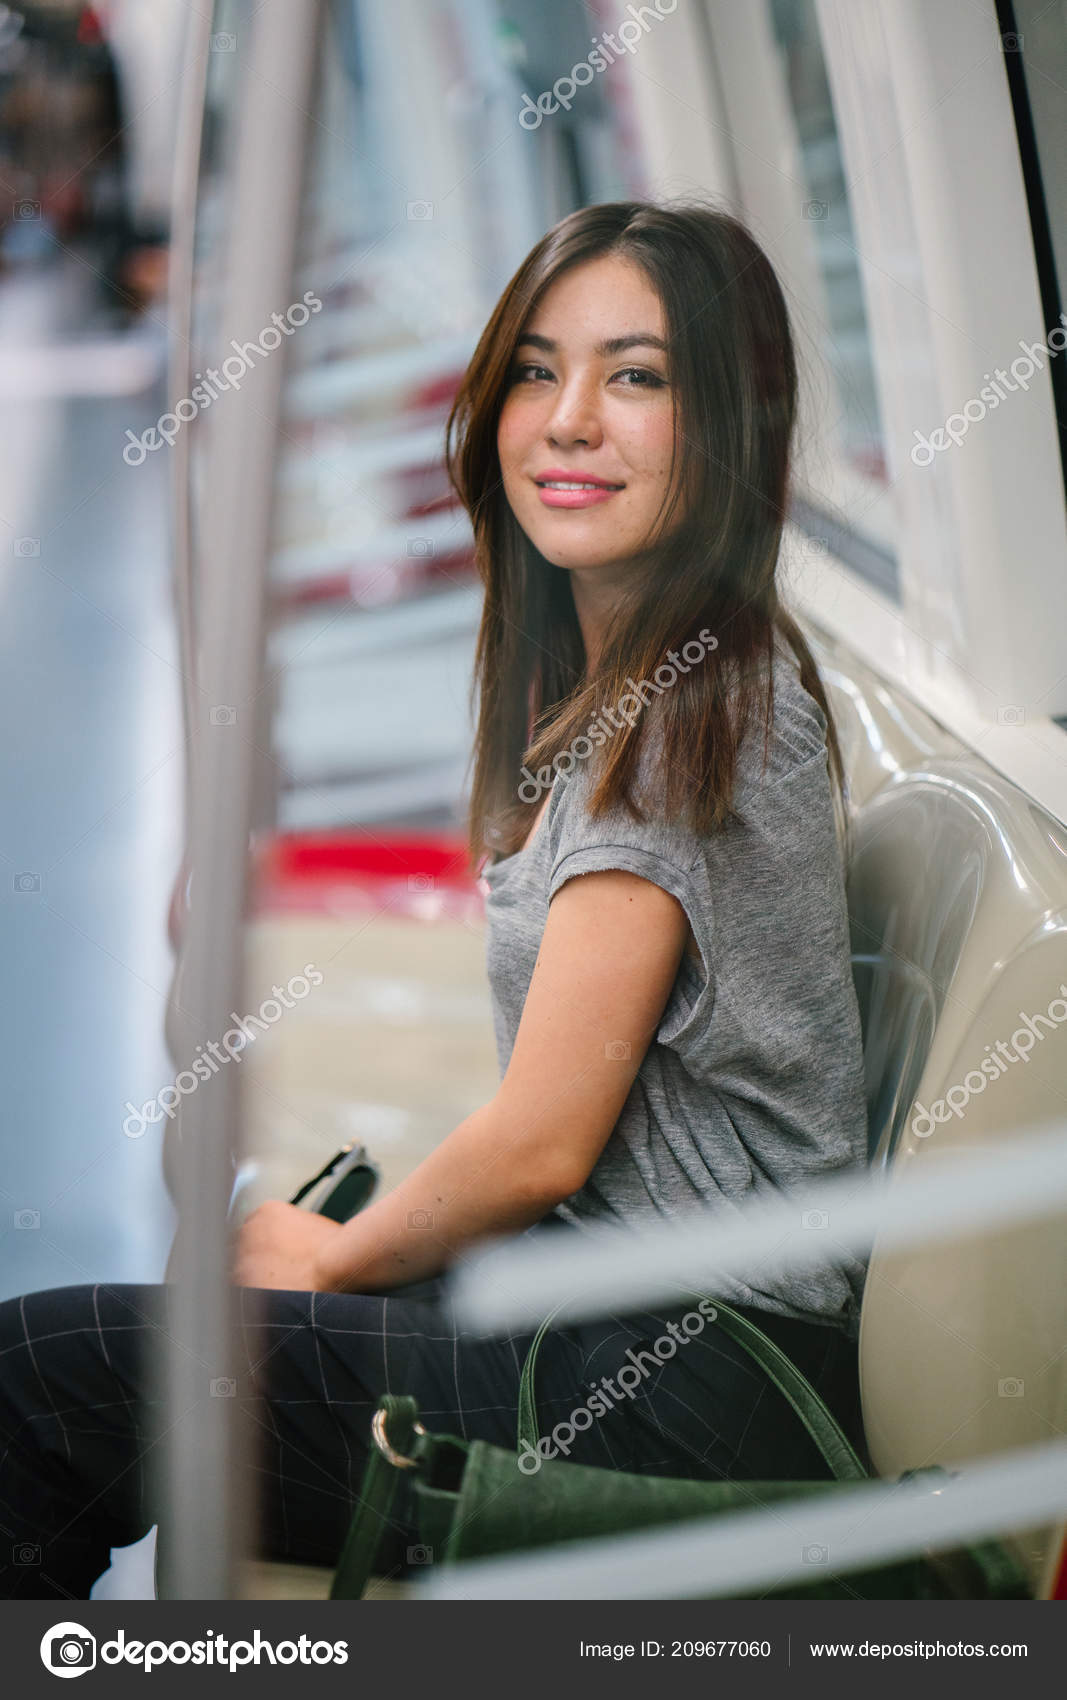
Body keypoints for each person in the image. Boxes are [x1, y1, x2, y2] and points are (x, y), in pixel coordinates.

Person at [0, 200, 870, 1601]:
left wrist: (338, 1256)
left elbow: (540, 1146)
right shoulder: (629, 683)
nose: (569, 418)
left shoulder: (697, 707)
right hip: (612, 1314)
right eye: (537, 368)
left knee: (39, 1382)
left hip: (687, 1379)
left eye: (636, 376)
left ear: (727, 425)